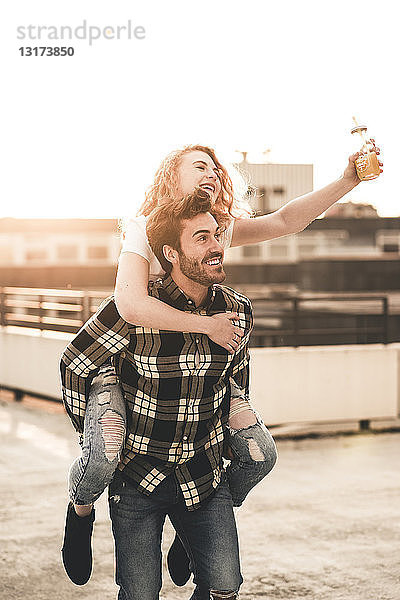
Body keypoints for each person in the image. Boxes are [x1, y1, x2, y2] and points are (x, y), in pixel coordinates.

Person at [60, 141, 382, 585]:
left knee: (256, 453)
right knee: (105, 450)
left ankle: (194, 529)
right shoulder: (144, 226)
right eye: (198, 166)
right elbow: (131, 304)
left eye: (215, 167)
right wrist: (207, 325)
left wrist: (349, 179)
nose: (211, 173)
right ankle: (79, 512)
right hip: (120, 357)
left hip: (190, 364)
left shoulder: (217, 226)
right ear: (170, 176)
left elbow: (286, 220)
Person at [61, 188, 267, 599]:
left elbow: (237, 376)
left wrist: (238, 414)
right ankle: (78, 513)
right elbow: (74, 363)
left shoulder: (238, 309)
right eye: (202, 238)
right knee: (141, 595)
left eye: (217, 234)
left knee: (226, 587)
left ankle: (190, 538)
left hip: (203, 475)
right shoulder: (137, 307)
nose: (217, 246)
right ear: (171, 253)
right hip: (138, 477)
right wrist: (97, 434)